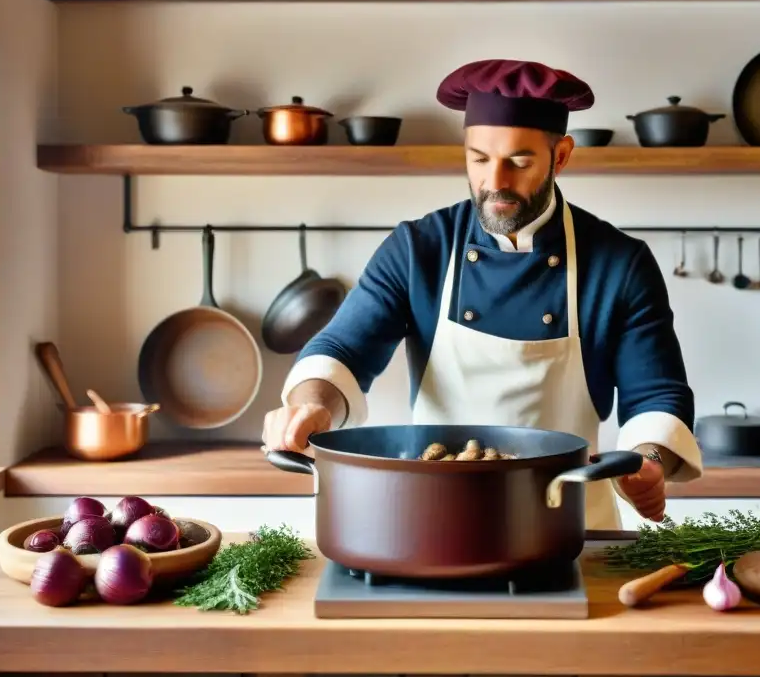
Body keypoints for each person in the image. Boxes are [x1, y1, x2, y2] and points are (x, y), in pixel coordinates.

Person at [261, 58, 703, 529]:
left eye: (519, 161)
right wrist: (309, 405)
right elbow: (345, 349)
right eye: (479, 159)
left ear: (562, 156)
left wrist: (649, 460)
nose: (496, 183)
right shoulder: (418, 248)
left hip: (572, 531)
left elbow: (655, 393)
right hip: (432, 522)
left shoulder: (618, 263)